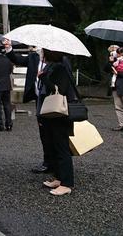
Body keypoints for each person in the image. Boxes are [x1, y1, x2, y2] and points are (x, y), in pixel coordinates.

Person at [39, 49, 77, 196]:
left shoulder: (61, 67)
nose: (41, 53)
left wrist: (43, 78)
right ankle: (59, 177)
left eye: (43, 51)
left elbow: (59, 89)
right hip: (51, 114)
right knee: (53, 146)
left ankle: (67, 183)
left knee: (62, 148)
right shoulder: (52, 66)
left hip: (60, 114)